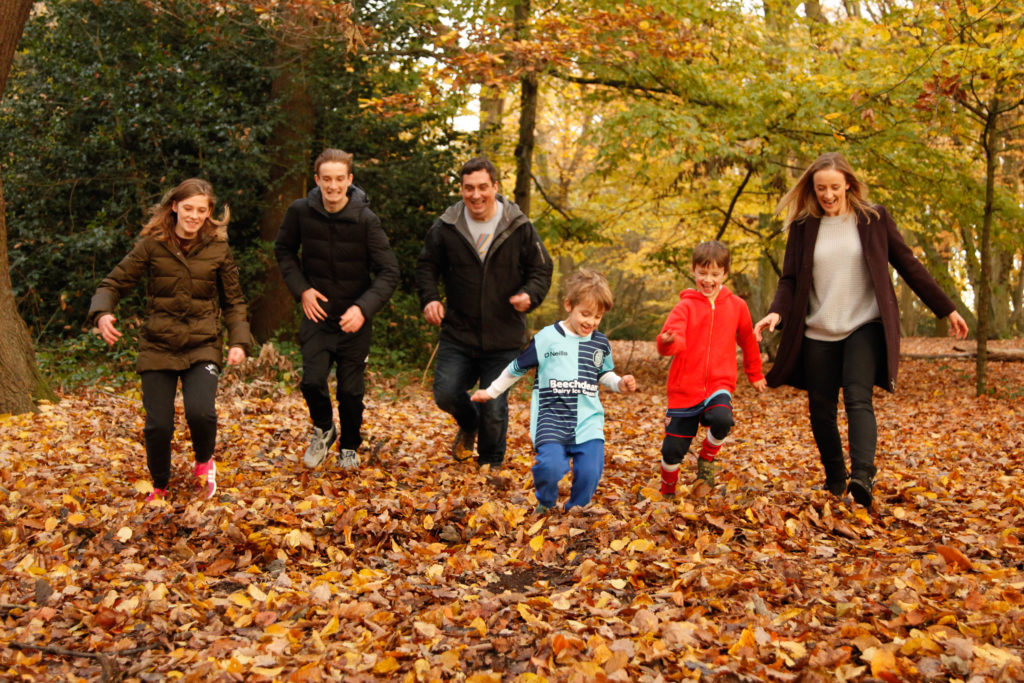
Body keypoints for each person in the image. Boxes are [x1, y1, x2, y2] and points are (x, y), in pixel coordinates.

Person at [753, 152, 969, 509]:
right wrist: (776, 313)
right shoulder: (804, 226)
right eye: (821, 188)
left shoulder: (873, 218)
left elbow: (909, 265)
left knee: (858, 397)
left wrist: (946, 308)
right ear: (813, 188)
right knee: (821, 410)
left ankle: (862, 478)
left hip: (864, 324)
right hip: (819, 329)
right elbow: (789, 279)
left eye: (834, 187)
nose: (828, 195)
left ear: (848, 184)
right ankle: (836, 476)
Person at [89, 178, 252, 501]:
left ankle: (204, 462)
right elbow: (113, 283)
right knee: (158, 425)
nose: (193, 216)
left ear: (209, 214)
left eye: (201, 211)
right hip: (157, 345)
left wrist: (239, 342)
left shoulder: (218, 249)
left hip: (202, 343)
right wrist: (102, 313)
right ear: (174, 206)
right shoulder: (152, 245)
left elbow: (234, 301)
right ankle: (160, 485)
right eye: (188, 208)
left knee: (201, 412)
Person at [416, 156, 553, 468]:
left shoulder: (519, 226)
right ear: (461, 190)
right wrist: (430, 299)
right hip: (458, 333)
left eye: (482, 187)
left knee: (494, 406)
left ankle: (490, 466)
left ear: (495, 187)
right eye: (468, 188)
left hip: (503, 335)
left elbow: (542, 269)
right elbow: (426, 267)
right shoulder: (446, 227)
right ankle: (468, 422)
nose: (475, 195)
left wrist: (530, 295)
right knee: (447, 393)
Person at [471, 268, 636, 511]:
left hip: (588, 420)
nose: (591, 322)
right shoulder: (547, 338)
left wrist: (619, 383)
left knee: (591, 471)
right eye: (586, 314)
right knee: (550, 467)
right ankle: (546, 502)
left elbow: (604, 373)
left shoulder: (600, 342)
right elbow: (516, 368)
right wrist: (491, 391)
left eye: (598, 317)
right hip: (551, 419)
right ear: (569, 305)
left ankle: (575, 509)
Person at [275, 148, 399, 471]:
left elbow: (389, 271)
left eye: (339, 179)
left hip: (354, 320)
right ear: (317, 180)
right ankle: (324, 429)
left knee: (351, 391)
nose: (333, 186)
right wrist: (301, 290)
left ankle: (349, 446)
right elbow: (284, 250)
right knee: (311, 382)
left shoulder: (365, 219)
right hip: (317, 316)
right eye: (326, 179)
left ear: (350, 180)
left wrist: (363, 308)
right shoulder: (300, 212)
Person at [656, 241, 766, 494]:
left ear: (725, 274)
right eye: (703, 273)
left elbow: (748, 341)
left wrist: (755, 373)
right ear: (693, 270)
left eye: (715, 274)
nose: (708, 280)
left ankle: (706, 459)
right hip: (684, 389)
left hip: (719, 384)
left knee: (723, 418)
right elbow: (673, 339)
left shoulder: (737, 306)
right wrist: (668, 342)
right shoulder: (684, 307)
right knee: (673, 451)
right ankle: (667, 491)